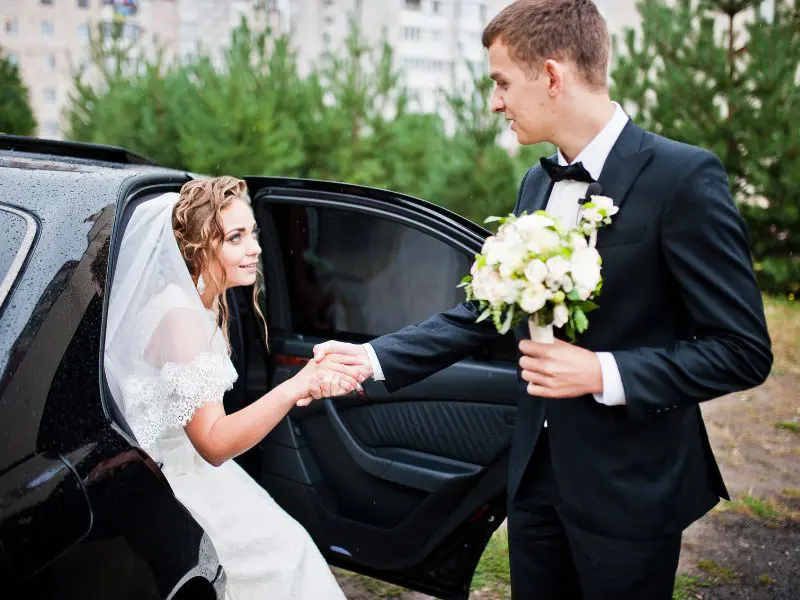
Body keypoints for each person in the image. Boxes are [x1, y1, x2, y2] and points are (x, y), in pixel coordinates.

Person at [312, 1, 773, 598]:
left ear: (552, 76)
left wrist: (602, 371)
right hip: (535, 482)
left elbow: (741, 350)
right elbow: (483, 311)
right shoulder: (536, 183)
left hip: (630, 490)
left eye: (502, 82)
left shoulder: (683, 179)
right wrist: (370, 360)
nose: (494, 102)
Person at [105, 177, 358, 599]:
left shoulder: (200, 302)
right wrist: (296, 386)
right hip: (176, 484)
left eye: (252, 232)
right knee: (286, 556)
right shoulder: (181, 318)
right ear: (200, 247)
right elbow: (214, 443)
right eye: (235, 238)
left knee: (289, 545)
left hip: (196, 469)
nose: (255, 248)